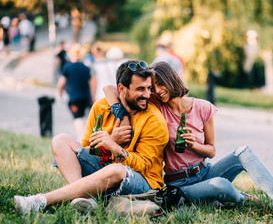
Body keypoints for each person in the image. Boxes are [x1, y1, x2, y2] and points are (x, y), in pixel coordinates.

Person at [104, 61, 273, 223]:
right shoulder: (158, 106)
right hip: (179, 183)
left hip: (205, 170)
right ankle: (241, 197)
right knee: (220, 185)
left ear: (172, 80)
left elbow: (212, 151)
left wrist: (194, 145)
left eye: (160, 84)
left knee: (243, 151)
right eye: (154, 86)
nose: (157, 91)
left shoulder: (203, 107)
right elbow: (109, 89)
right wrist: (119, 114)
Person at [13, 60, 169, 215]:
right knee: (60, 140)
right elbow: (86, 150)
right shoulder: (101, 107)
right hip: (106, 169)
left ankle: (40, 201)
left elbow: (143, 166)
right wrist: (110, 142)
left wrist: (114, 147)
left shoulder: (154, 121)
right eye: (140, 89)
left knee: (115, 170)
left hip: (143, 181)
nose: (147, 95)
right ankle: (83, 197)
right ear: (121, 89)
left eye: (149, 88)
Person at [57, 43, 93, 141]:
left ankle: (82, 140)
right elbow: (90, 84)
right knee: (87, 119)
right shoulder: (86, 68)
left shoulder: (67, 67)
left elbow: (61, 83)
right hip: (86, 97)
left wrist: (59, 94)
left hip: (74, 98)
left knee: (78, 119)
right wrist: (92, 98)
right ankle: (88, 138)